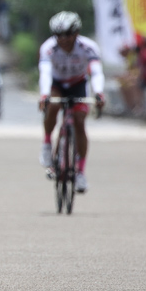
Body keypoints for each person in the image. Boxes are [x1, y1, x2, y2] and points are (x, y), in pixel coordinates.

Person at [38, 11, 105, 193]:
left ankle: (80, 172)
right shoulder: (48, 48)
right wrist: (44, 94)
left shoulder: (88, 47)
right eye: (58, 35)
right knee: (53, 105)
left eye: (68, 34)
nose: (63, 39)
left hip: (78, 84)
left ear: (76, 33)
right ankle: (46, 144)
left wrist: (98, 92)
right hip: (57, 84)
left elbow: (96, 72)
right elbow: (44, 72)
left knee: (80, 122)